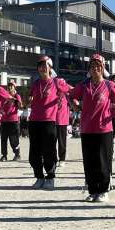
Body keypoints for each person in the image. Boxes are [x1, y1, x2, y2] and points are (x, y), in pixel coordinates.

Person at [70, 54, 115, 202]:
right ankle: (92, 190)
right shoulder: (84, 85)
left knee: (103, 161)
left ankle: (104, 190)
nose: (95, 68)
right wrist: (74, 104)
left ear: (103, 68)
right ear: (89, 69)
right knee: (89, 161)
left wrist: (112, 106)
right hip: (87, 128)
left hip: (104, 129)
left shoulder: (109, 85)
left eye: (98, 66)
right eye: (92, 66)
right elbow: (72, 96)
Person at [28, 56, 72, 190]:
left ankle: (50, 177)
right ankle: (39, 177)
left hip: (49, 121)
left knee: (49, 151)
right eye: (40, 65)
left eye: (45, 65)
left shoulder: (57, 82)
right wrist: (28, 100)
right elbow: (29, 98)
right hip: (34, 120)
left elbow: (71, 90)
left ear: (50, 67)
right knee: (34, 153)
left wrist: (73, 99)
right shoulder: (35, 83)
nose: (42, 68)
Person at [0, 81, 22, 162]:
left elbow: (20, 106)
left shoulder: (17, 95)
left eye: (11, 86)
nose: (9, 87)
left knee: (14, 139)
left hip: (13, 120)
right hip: (4, 120)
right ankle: (4, 155)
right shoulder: (4, 96)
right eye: (8, 86)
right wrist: (1, 110)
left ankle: (17, 154)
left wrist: (16, 101)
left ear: (14, 87)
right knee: (3, 139)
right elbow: (0, 106)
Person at [56, 91, 70, 167]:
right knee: (50, 142)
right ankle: (52, 158)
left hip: (62, 121)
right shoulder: (53, 91)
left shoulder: (67, 93)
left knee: (62, 143)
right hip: (51, 120)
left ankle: (62, 159)